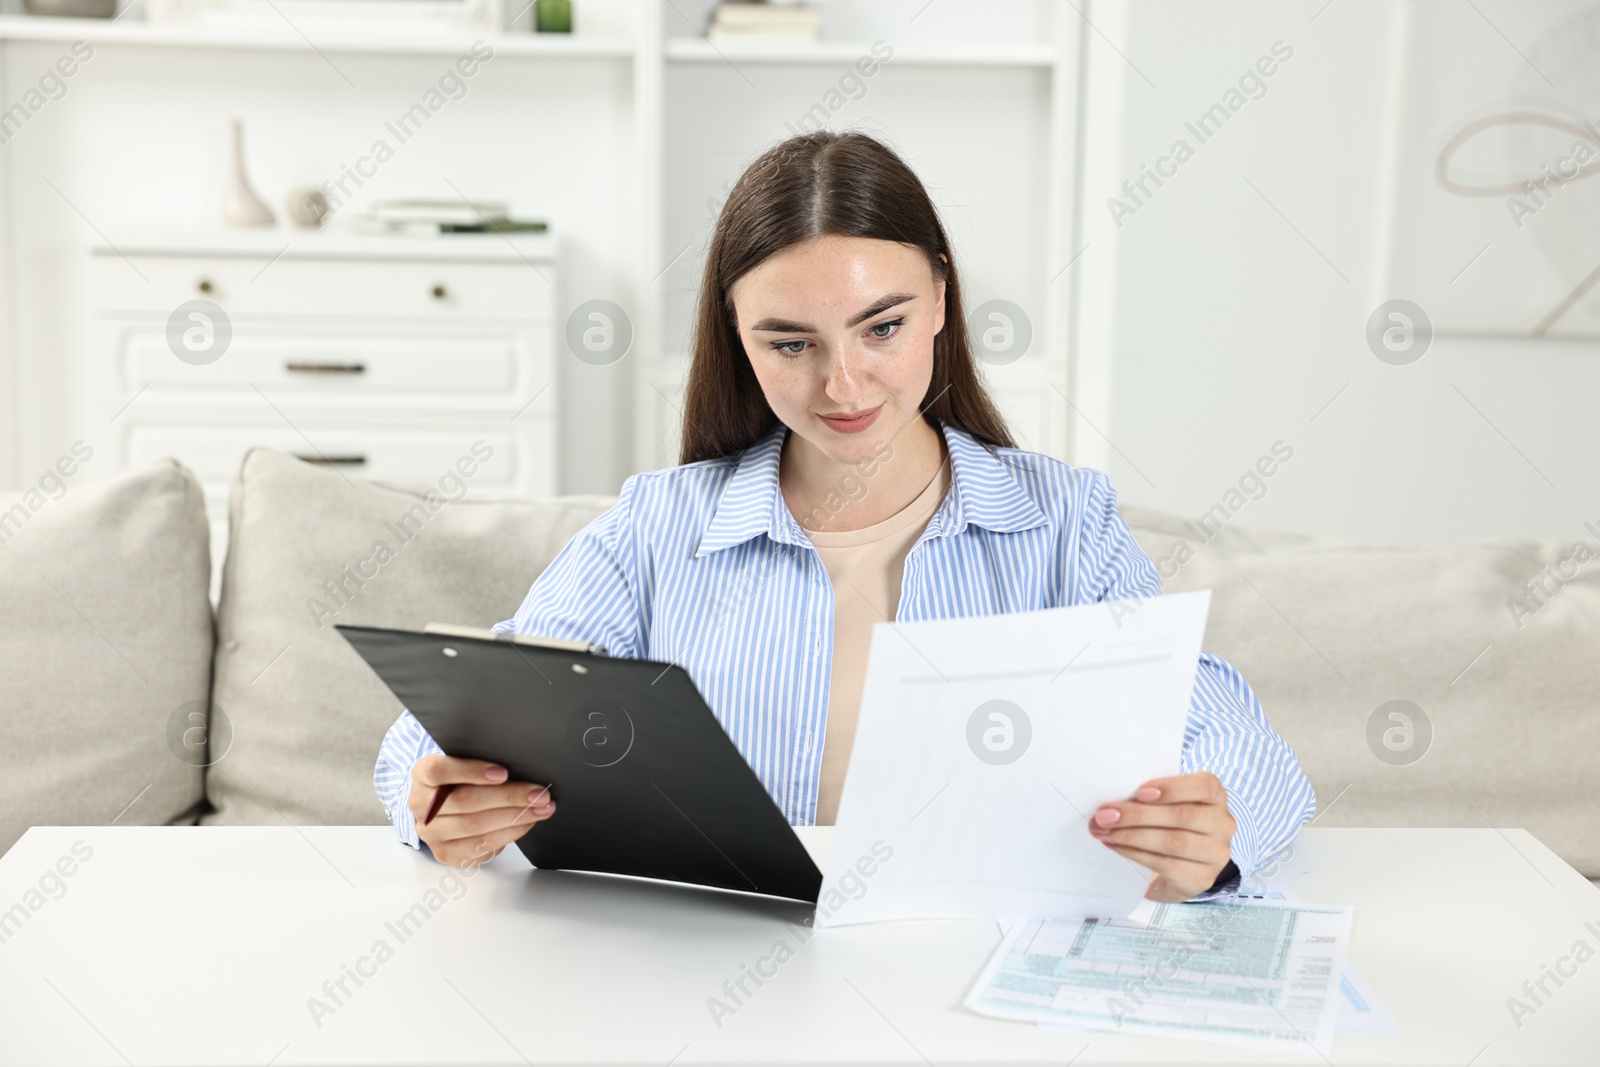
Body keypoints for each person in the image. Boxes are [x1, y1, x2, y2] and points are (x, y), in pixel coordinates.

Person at [375, 130, 1315, 903]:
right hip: (712, 981)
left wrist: (1213, 838)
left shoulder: (1062, 522)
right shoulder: (660, 526)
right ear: (738, 343)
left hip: (968, 974)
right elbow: (472, 704)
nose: (844, 384)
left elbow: (1232, 737)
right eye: (791, 343)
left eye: (883, 326)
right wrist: (437, 802)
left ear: (942, 297)